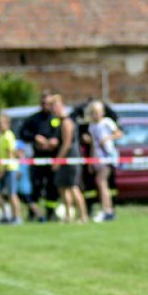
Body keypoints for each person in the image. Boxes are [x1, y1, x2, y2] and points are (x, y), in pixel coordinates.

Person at [18, 91, 60, 221]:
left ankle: (50, 212)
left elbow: (62, 135)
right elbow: (22, 133)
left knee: (52, 187)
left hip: (53, 157)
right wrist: (35, 138)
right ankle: (33, 212)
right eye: (43, 103)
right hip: (38, 158)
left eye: (48, 103)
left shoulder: (56, 119)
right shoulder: (33, 119)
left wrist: (55, 140)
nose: (46, 106)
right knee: (36, 185)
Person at [51, 94, 89, 224]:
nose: (52, 110)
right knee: (62, 187)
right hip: (65, 158)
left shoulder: (67, 122)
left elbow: (67, 143)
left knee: (73, 187)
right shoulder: (60, 122)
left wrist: (58, 160)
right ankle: (68, 215)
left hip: (70, 158)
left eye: (54, 106)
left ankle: (83, 216)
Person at [85, 100, 122, 221]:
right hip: (97, 157)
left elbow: (119, 133)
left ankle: (107, 210)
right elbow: (93, 146)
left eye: (98, 112)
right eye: (94, 112)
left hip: (107, 155)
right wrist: (90, 161)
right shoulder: (91, 126)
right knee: (101, 184)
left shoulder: (107, 123)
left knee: (102, 182)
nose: (96, 115)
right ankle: (106, 209)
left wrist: (107, 138)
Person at [0, 112, 23, 225]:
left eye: (1, 123)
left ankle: (17, 217)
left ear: (7, 124)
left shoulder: (9, 136)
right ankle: (6, 215)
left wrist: (1, 171)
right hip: (1, 168)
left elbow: (10, 156)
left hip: (10, 168)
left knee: (12, 194)